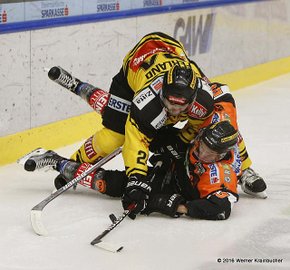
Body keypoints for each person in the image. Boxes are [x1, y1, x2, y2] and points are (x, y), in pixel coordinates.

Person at [46, 32, 266, 216]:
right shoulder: (147, 102)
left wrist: (181, 140)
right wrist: (136, 179)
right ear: (162, 93)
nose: (175, 111)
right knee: (116, 134)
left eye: (182, 107)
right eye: (170, 103)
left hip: (172, 51)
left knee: (223, 127)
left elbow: (219, 127)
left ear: (193, 97)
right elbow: (136, 142)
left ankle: (245, 169)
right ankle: (70, 161)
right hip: (133, 71)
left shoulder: (203, 99)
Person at [22, 120, 240, 220]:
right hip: (162, 175)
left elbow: (220, 208)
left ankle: (55, 161)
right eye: (203, 145)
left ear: (221, 154)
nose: (203, 153)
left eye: (211, 152)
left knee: (110, 185)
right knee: (111, 180)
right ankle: (55, 161)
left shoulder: (221, 172)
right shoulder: (192, 141)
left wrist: (174, 205)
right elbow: (152, 134)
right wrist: (161, 153)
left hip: (171, 193)